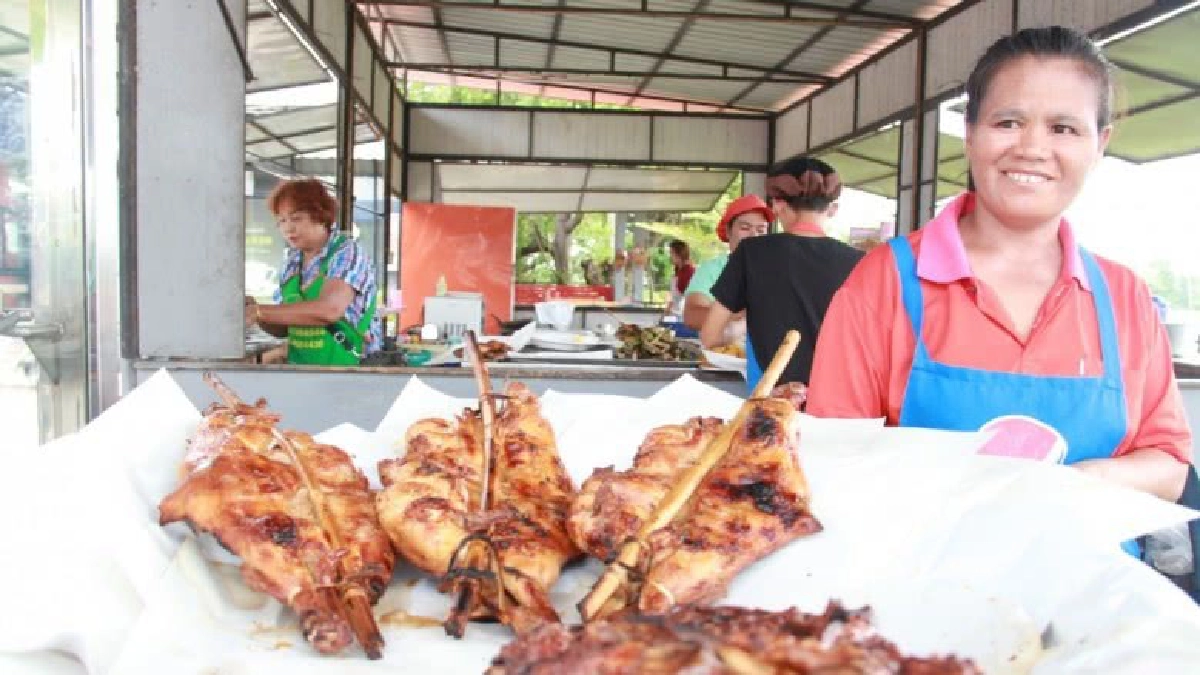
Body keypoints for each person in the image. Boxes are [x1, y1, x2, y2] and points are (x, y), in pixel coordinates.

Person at [807, 27, 1192, 511]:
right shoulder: (886, 281)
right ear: (969, 134)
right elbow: (831, 462)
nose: (1032, 148)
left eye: (1064, 128)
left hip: (1091, 584)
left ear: (1100, 145)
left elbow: (1169, 464)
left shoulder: (1123, 296)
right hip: (921, 583)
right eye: (1008, 122)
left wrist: (1079, 482)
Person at [700, 157, 864, 389]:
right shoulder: (859, 262)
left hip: (771, 404)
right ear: (832, 209)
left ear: (777, 205)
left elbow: (710, 335)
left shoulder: (752, 253)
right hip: (839, 402)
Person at [245, 178, 382, 365]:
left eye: (296, 218)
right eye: (281, 221)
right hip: (302, 374)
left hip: (349, 374)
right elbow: (283, 329)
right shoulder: (292, 263)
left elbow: (329, 310)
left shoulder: (346, 253)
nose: (288, 228)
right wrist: (253, 310)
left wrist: (260, 311)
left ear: (320, 215)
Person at [683, 195, 772, 381]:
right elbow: (692, 316)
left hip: (766, 371)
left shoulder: (777, 271)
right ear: (728, 231)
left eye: (761, 230)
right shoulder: (712, 269)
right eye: (745, 228)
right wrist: (739, 312)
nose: (754, 236)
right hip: (720, 370)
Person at [666, 239, 695, 316]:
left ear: (679, 254)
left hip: (682, 317)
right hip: (675, 315)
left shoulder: (689, 272)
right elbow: (673, 298)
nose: (670, 256)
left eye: (671, 253)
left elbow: (691, 298)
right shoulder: (679, 271)